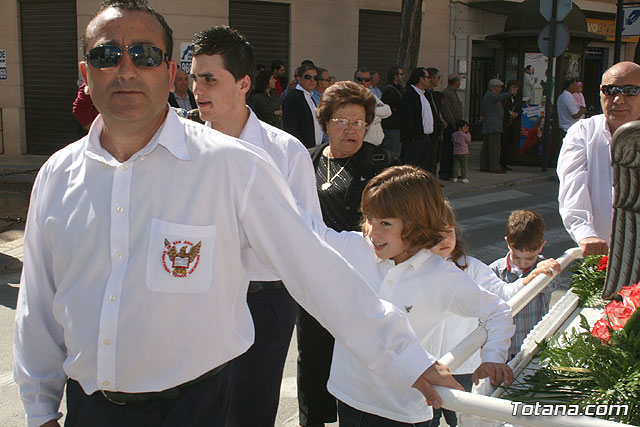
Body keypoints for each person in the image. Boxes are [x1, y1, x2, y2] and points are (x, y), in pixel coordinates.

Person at [13, 2, 461, 427]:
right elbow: (39, 303)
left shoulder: (233, 166)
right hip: (90, 409)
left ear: (170, 74)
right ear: (85, 74)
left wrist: (404, 356)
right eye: (107, 54)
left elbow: (313, 264)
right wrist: (39, 408)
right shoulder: (58, 175)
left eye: (145, 55)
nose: (126, 69)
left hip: (196, 408)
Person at [302, 165, 514, 426]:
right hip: (349, 398)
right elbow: (308, 234)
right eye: (369, 218)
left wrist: (493, 357)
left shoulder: (441, 275)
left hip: (403, 412)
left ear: (416, 225)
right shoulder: (356, 247)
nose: (372, 232)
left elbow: (499, 311)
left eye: (386, 223)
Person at [189, 26, 320, 426]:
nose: (198, 89)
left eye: (210, 79)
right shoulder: (183, 148)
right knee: (200, 405)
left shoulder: (285, 152)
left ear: (244, 83)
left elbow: (308, 237)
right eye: (194, 77)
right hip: (199, 294)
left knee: (251, 408)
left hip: (265, 300)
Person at [298, 81, 398, 426]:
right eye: (342, 120)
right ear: (325, 122)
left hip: (365, 280)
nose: (351, 129)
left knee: (358, 359)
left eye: (359, 122)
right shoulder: (306, 160)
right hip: (315, 280)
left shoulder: (380, 162)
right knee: (312, 357)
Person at [428, 202, 558, 427]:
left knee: (461, 418)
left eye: (448, 233)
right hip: (426, 364)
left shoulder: (471, 267)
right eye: (434, 236)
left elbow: (503, 295)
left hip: (463, 365)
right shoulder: (411, 268)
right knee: (428, 418)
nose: (443, 241)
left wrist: (528, 279)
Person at [557, 61, 640, 256]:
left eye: (629, 91)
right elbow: (572, 187)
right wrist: (585, 234)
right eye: (610, 90)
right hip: (601, 256)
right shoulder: (583, 132)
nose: (618, 99)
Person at [489, 210, 559, 359]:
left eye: (529, 258)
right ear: (508, 242)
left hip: (535, 347)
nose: (522, 263)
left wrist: (548, 271)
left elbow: (553, 286)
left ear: (541, 246)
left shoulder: (544, 268)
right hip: (505, 351)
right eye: (516, 256)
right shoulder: (494, 271)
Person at [400, 67, 433, 170]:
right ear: (421, 79)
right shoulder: (410, 95)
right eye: (427, 77)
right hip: (415, 140)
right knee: (412, 169)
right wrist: (414, 137)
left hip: (425, 138)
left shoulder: (425, 94)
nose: (429, 80)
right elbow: (407, 118)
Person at [282, 63, 323, 148]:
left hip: (314, 149)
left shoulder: (310, 97)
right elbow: (291, 128)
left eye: (315, 78)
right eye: (308, 77)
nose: (312, 81)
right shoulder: (293, 98)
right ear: (299, 79)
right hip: (302, 150)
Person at [480, 78, 515, 174]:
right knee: (495, 148)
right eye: (499, 87)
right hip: (494, 125)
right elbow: (499, 97)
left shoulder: (487, 95)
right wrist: (510, 93)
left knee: (487, 148)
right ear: (494, 87)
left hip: (489, 125)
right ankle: (494, 167)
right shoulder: (491, 95)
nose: (500, 89)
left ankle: (484, 166)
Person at [354, 68, 391, 146]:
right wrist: (379, 116)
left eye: (366, 80)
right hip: (362, 143)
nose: (363, 82)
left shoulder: (372, 96)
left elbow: (388, 111)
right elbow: (364, 119)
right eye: (360, 79)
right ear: (355, 80)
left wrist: (370, 111)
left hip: (378, 144)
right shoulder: (351, 97)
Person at [440, 73, 464, 181]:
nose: (460, 83)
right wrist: (452, 122)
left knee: (453, 150)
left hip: (457, 125)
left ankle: (451, 172)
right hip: (451, 125)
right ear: (455, 82)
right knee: (447, 150)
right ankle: (445, 172)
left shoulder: (454, 93)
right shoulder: (447, 93)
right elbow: (446, 110)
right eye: (458, 81)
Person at [381, 65, 404, 159]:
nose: (403, 76)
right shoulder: (390, 90)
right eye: (401, 74)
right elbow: (396, 107)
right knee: (392, 156)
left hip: (396, 127)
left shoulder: (398, 89)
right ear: (396, 76)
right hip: (391, 128)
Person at [424, 67, 444, 175]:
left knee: (435, 155)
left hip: (436, 129)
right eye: (437, 77)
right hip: (429, 131)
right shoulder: (424, 94)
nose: (438, 80)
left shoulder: (434, 94)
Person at [556, 78, 587, 142]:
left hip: (570, 128)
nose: (576, 87)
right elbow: (575, 115)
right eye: (575, 84)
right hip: (568, 128)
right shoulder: (567, 97)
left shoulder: (566, 96)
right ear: (571, 85)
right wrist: (582, 111)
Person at [501, 80, 519, 171]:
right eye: (513, 88)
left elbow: (518, 108)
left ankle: (506, 161)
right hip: (505, 122)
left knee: (509, 143)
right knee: (503, 143)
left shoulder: (515, 98)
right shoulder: (505, 97)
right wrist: (509, 113)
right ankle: (501, 162)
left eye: (516, 88)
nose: (515, 90)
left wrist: (516, 114)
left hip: (512, 123)